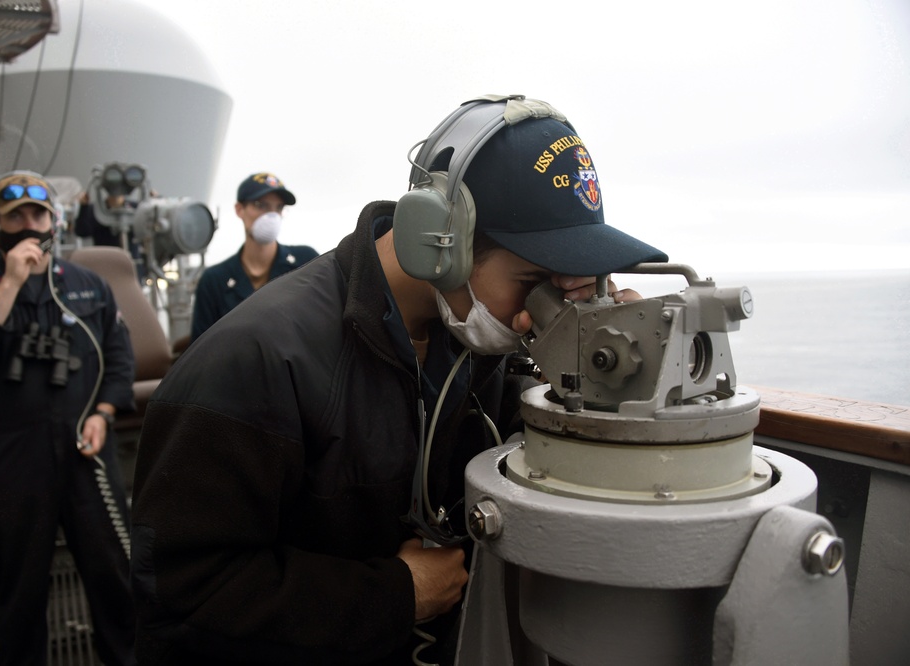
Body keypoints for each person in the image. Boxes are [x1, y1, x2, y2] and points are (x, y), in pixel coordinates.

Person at [130, 95, 668, 664]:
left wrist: (601, 378)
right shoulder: (255, 359)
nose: (535, 314)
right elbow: (180, 594)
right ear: (438, 242)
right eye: (534, 280)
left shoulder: (473, 340)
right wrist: (392, 596)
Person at [0, 171, 138, 666]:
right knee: (19, 587)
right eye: (15, 216)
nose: (28, 225)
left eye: (38, 215)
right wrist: (9, 283)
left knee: (115, 575)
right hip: (12, 459)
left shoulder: (87, 287)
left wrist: (105, 413)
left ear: (55, 221)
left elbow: (119, 355)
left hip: (86, 451)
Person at [189, 172, 317, 341]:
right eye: (261, 205)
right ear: (239, 210)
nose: (271, 216)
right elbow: (200, 351)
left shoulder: (305, 263)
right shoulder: (214, 280)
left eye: (278, 208)